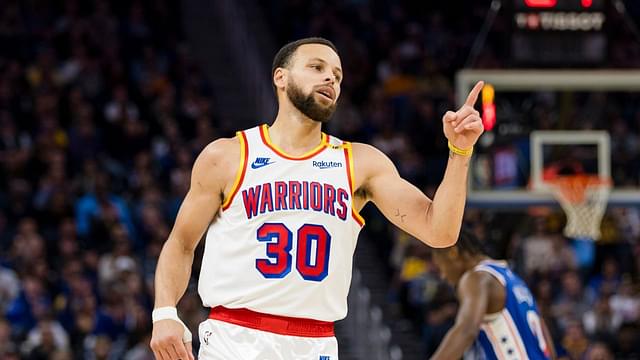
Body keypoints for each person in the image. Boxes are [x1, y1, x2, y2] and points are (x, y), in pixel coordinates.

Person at [150, 37, 485, 359]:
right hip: (235, 337)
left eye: (337, 75)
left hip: (316, 343)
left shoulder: (360, 163)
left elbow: (440, 231)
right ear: (280, 77)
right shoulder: (227, 156)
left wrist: (459, 151)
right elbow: (180, 244)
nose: (330, 78)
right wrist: (164, 312)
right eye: (316, 67)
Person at [430, 228, 557, 359]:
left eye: (441, 267)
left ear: (453, 252)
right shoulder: (512, 278)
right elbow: (545, 338)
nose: (443, 276)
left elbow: (466, 330)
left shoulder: (476, 278)